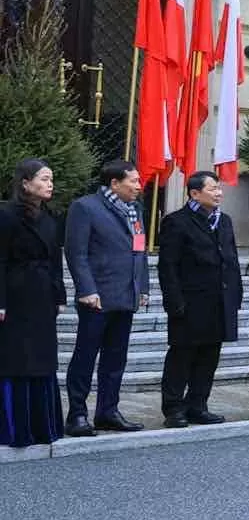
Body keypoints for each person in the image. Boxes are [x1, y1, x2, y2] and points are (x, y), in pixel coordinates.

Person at [61, 158, 148, 435]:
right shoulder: (85, 207)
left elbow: (140, 250)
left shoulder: (134, 209)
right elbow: (76, 253)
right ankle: (77, 414)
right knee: (85, 358)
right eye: (133, 181)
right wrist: (86, 289)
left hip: (125, 295)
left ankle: (108, 411)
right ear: (114, 183)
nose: (138, 186)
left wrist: (142, 287)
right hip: (96, 297)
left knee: (115, 359)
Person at [157, 170, 241, 428]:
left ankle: (198, 404)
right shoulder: (177, 221)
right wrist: (175, 302)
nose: (219, 193)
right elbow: (168, 266)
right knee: (182, 357)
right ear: (195, 193)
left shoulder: (223, 221)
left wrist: (235, 296)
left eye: (219, 188)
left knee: (209, 356)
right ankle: (173, 408)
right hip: (190, 302)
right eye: (213, 188)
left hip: (219, 301)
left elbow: (232, 260)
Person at [0, 160, 65, 447]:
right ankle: (15, 427)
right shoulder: (6, 215)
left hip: (42, 296)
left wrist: (59, 295)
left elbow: (55, 260)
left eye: (51, 179)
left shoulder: (49, 217)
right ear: (26, 183)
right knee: (17, 357)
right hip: (15, 295)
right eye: (44, 178)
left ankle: (42, 426)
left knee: (42, 357)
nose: (50, 184)